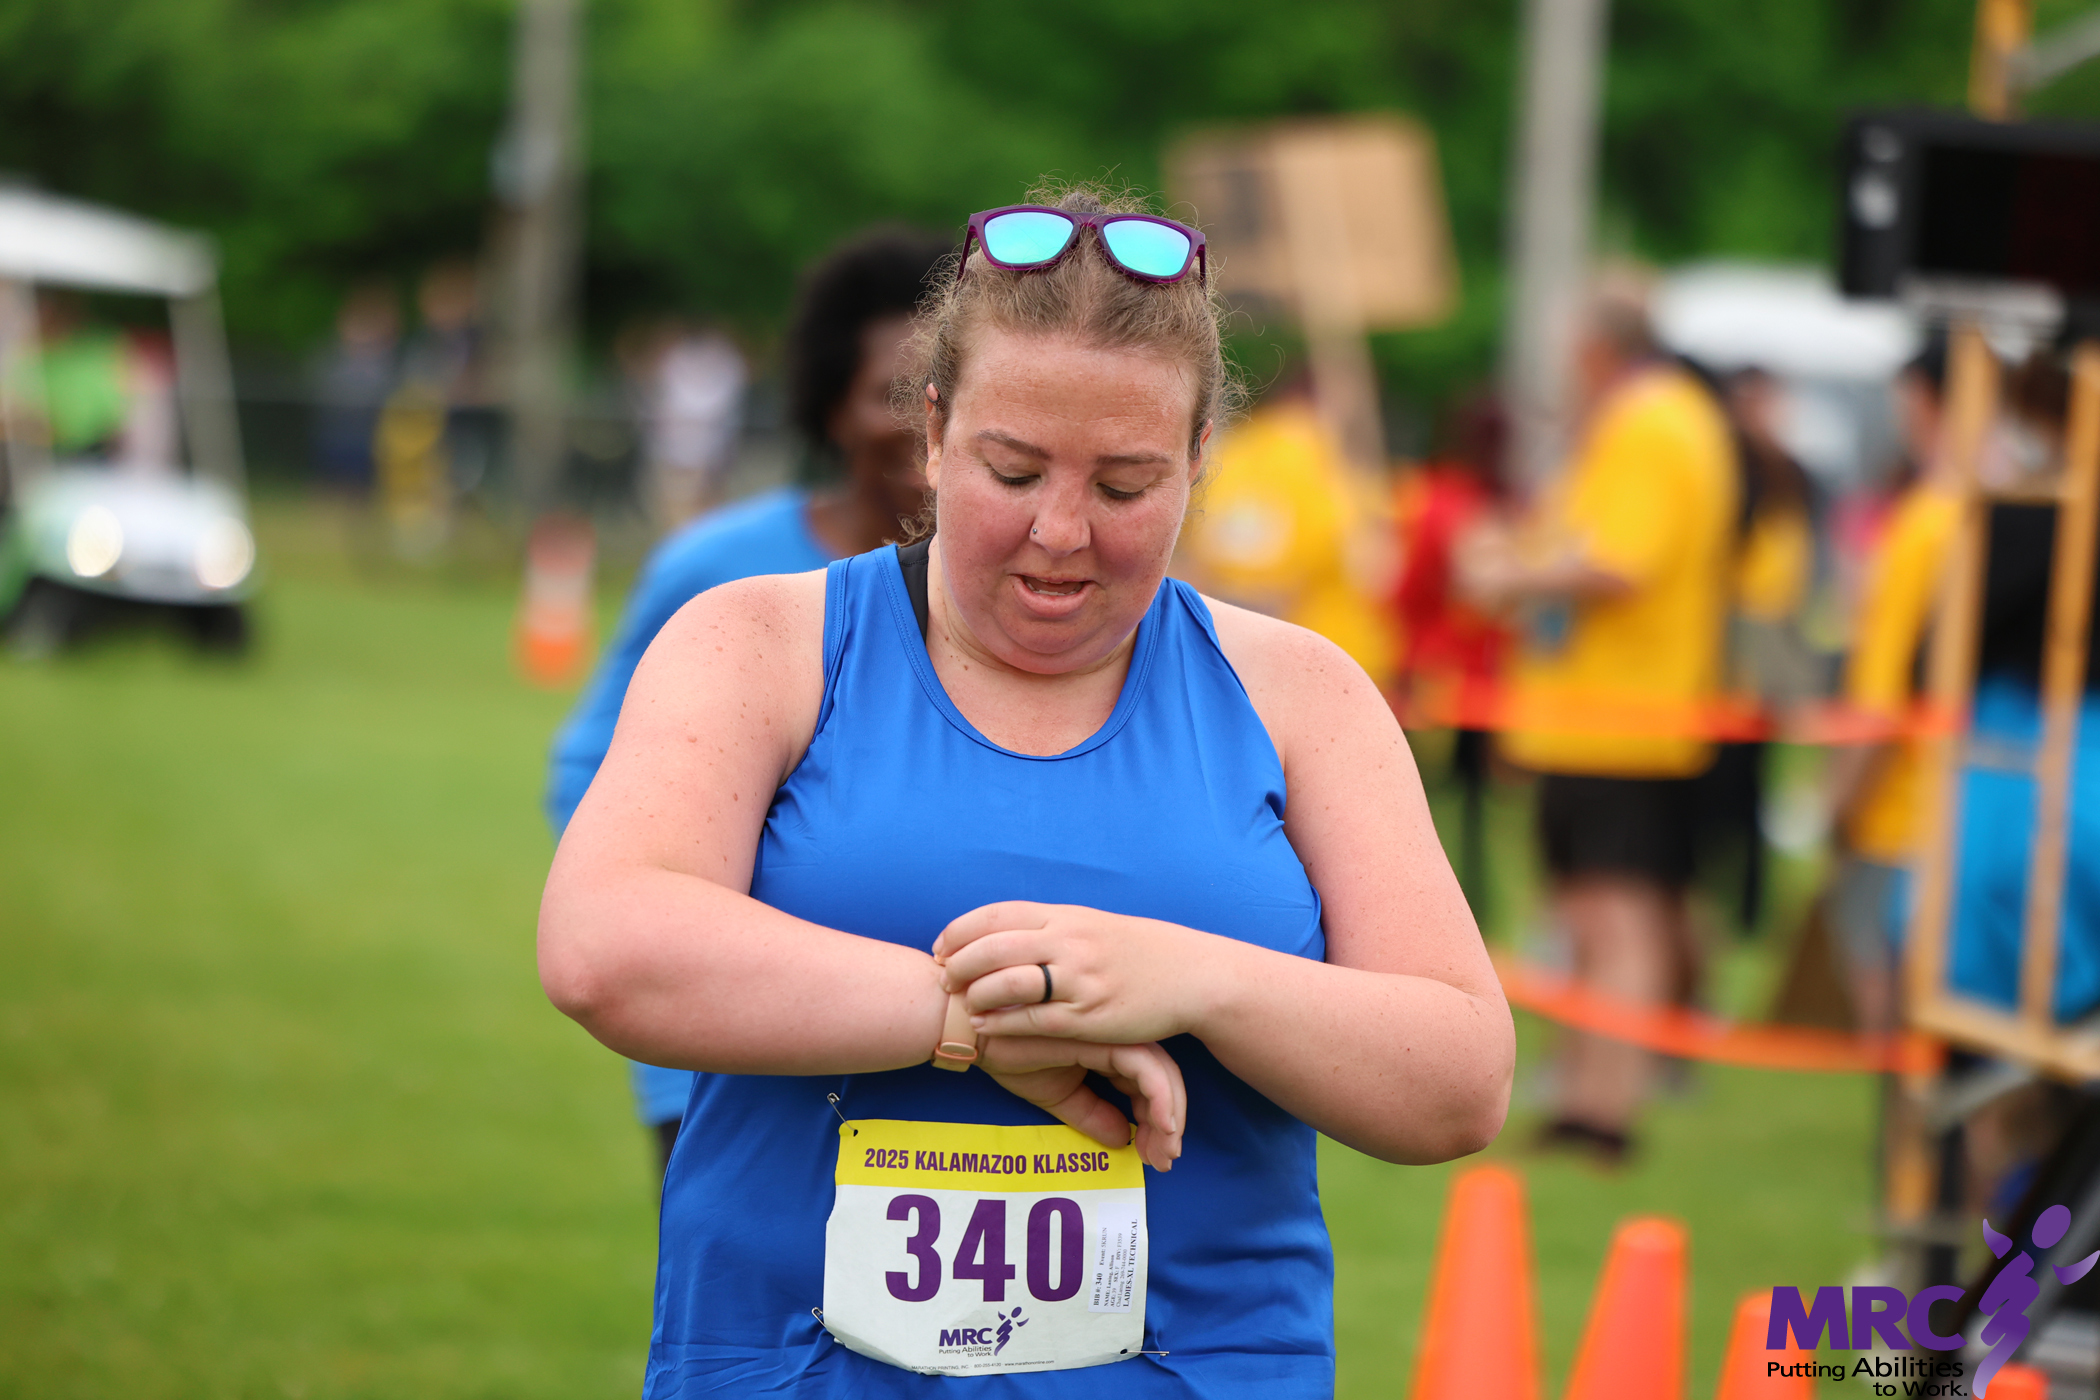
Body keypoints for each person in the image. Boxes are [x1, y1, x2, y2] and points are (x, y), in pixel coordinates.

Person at [537, 185, 1511, 1396]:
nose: (1060, 530)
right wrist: (982, 1018)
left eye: (1124, 486)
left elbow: (1461, 1079)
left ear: (1200, 459)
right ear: (934, 431)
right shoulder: (756, 642)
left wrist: (1194, 977)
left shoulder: (1304, 694)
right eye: (1013, 469)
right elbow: (605, 947)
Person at [545, 227, 952, 1169]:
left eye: (942, 394)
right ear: (830, 406)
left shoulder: (1031, 601)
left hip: (944, 1061)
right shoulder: (718, 571)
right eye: (890, 394)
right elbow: (588, 770)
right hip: (730, 1052)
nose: (919, 422)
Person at [1465, 275, 1737, 1165]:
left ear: (1597, 347)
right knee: (1590, 915)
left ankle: (1607, 1109)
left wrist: (1507, 575)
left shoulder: (1650, 423)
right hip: (1599, 719)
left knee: (1617, 919)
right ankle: (1586, 1097)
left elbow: (1621, 562)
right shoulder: (1650, 419)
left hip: (1620, 721)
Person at [1390, 392, 1512, 914]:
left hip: (1438, 669)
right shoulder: (1492, 506)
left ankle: (1436, 908)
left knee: (1428, 805)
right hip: (1479, 670)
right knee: (1473, 809)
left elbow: (1408, 585)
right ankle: (1472, 907)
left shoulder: (1436, 502)